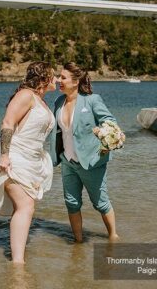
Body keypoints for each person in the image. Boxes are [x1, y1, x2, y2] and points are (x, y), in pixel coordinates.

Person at [0, 62, 57, 263]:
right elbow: (7, 122)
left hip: (31, 158)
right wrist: (4, 156)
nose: (57, 79)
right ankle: (18, 263)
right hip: (15, 155)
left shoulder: (41, 101)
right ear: (44, 77)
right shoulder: (26, 95)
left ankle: (18, 258)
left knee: (25, 207)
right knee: (25, 206)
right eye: (54, 75)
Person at [50, 62, 119, 242]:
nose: (59, 80)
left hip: (91, 161)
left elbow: (110, 122)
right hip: (67, 161)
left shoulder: (92, 100)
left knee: (100, 203)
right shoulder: (58, 102)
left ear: (75, 81)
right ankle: (78, 243)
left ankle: (113, 237)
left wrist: (105, 135)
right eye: (59, 77)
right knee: (72, 203)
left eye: (63, 77)